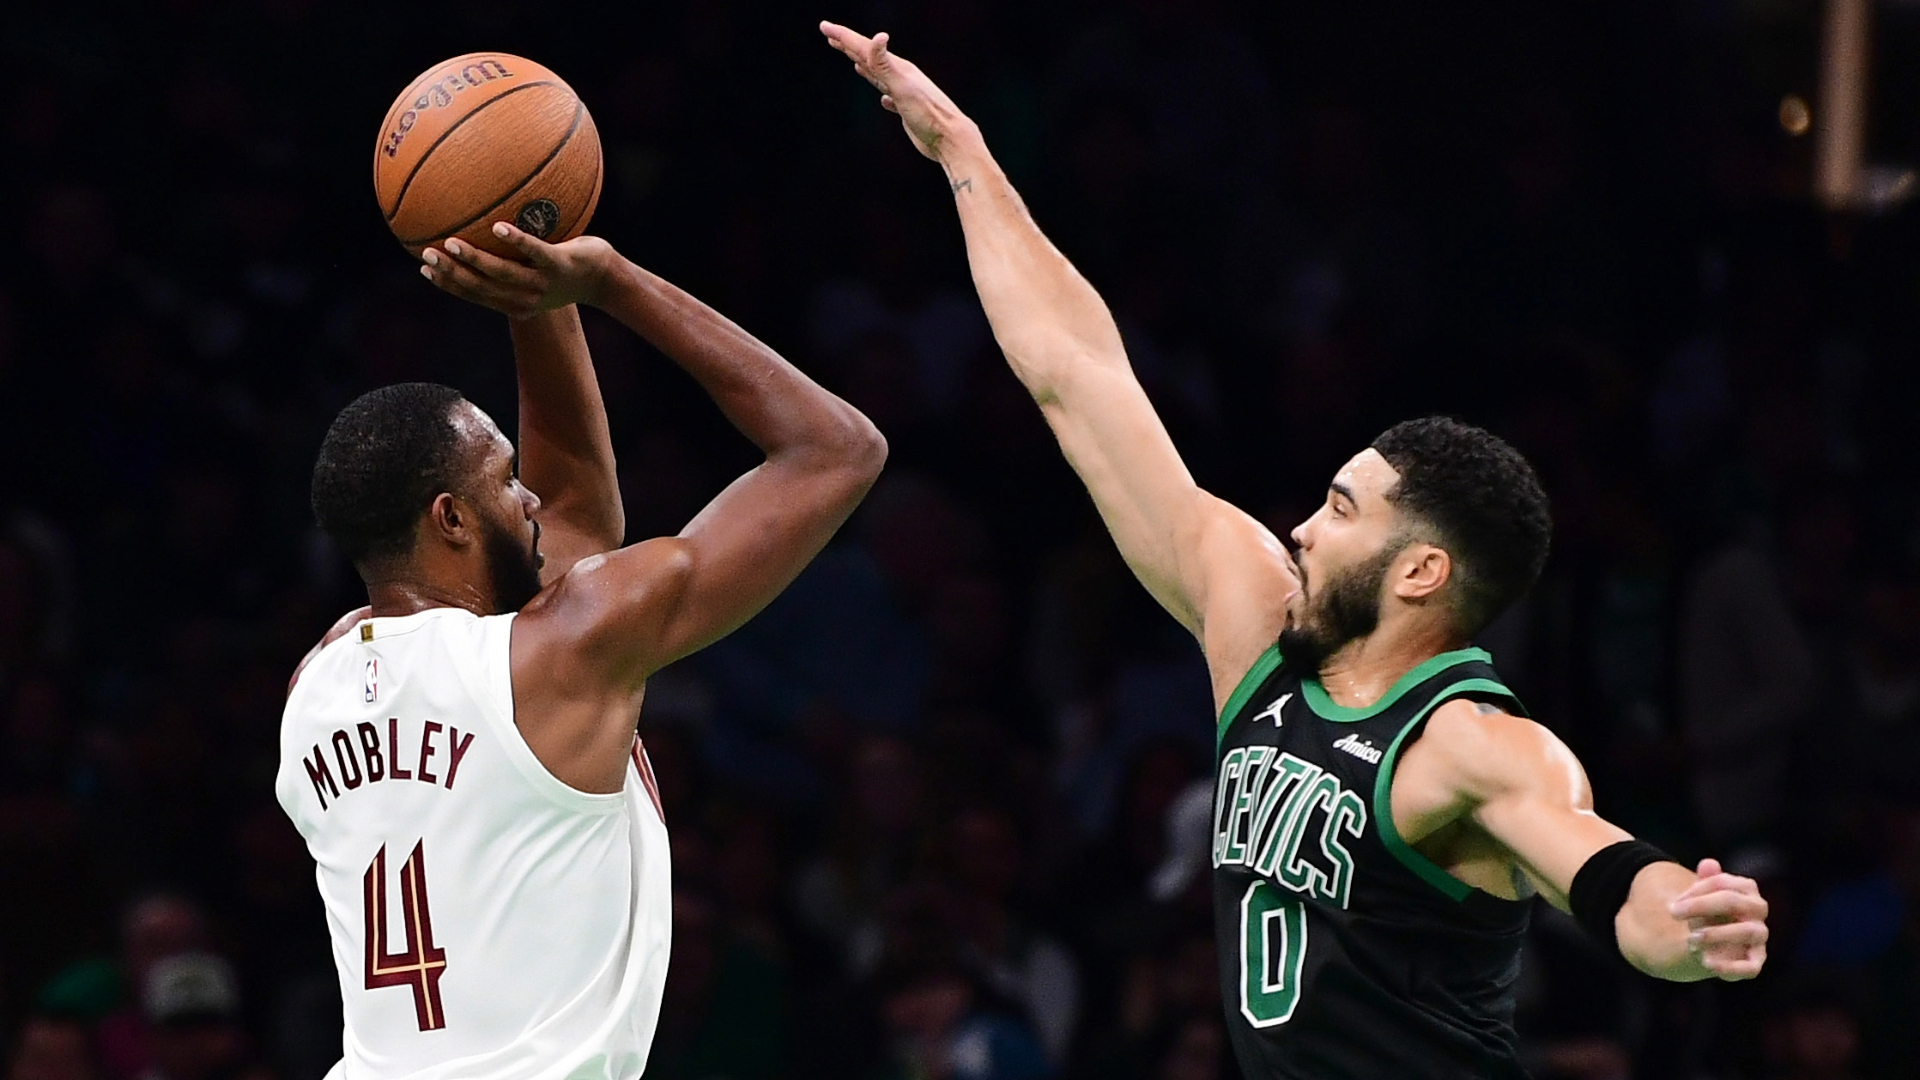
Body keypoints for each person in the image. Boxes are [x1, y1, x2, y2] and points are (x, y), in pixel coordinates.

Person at [822, 23, 1767, 1079]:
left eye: (1342, 508)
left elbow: (1609, 880)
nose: (1306, 527)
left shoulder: (1473, 748)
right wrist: (962, 150)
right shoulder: (1255, 623)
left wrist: (1688, 925)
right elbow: (1076, 372)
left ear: (1420, 572)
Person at [276, 223, 886, 1080]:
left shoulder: (317, 681)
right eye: (501, 479)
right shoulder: (560, 654)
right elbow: (836, 450)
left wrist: (537, 294)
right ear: (450, 518)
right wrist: (609, 282)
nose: (527, 497)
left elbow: (570, 522)